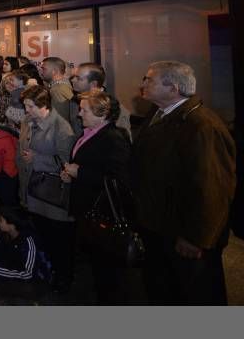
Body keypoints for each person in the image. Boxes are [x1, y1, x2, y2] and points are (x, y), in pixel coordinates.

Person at [132, 61, 236, 305]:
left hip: (185, 237)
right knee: (165, 290)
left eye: (149, 80)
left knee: (196, 295)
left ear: (174, 88)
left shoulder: (202, 125)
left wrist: (195, 237)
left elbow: (212, 188)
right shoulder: (159, 114)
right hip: (160, 227)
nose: (142, 84)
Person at [60, 91, 131, 304]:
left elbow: (118, 178)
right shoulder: (90, 132)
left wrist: (79, 172)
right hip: (87, 211)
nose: (80, 114)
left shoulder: (113, 138)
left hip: (102, 215)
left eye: (85, 110)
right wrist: (72, 175)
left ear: (103, 114)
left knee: (105, 270)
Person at [16, 84, 76, 292]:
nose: (26, 110)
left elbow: (66, 161)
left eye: (30, 106)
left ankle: (62, 278)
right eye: (25, 106)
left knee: (58, 240)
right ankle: (43, 269)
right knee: (41, 234)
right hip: (31, 189)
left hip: (50, 196)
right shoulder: (28, 121)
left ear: (44, 106)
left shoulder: (62, 128)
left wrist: (37, 158)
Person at [68, 63, 131, 141]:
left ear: (93, 84)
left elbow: (122, 141)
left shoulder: (113, 109)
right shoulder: (74, 101)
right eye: (74, 77)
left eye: (78, 78)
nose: (72, 80)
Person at [0, 205, 39, 282]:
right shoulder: (4, 234)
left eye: (1, 219)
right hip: (7, 271)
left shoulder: (27, 242)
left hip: (24, 283)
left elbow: (29, 274)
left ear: (12, 225)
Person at [40, 57, 73, 122]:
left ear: (54, 71)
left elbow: (59, 118)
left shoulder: (57, 89)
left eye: (44, 69)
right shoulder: (61, 86)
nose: (41, 72)